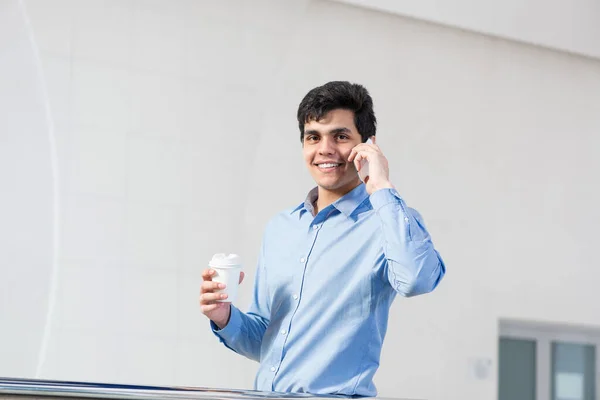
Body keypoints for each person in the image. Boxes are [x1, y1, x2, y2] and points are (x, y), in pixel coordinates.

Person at [199, 81, 446, 397]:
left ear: (368, 144)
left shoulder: (388, 221)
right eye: (313, 137)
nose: (325, 149)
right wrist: (225, 317)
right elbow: (267, 341)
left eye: (340, 137)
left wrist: (381, 184)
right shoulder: (281, 228)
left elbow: (417, 279)